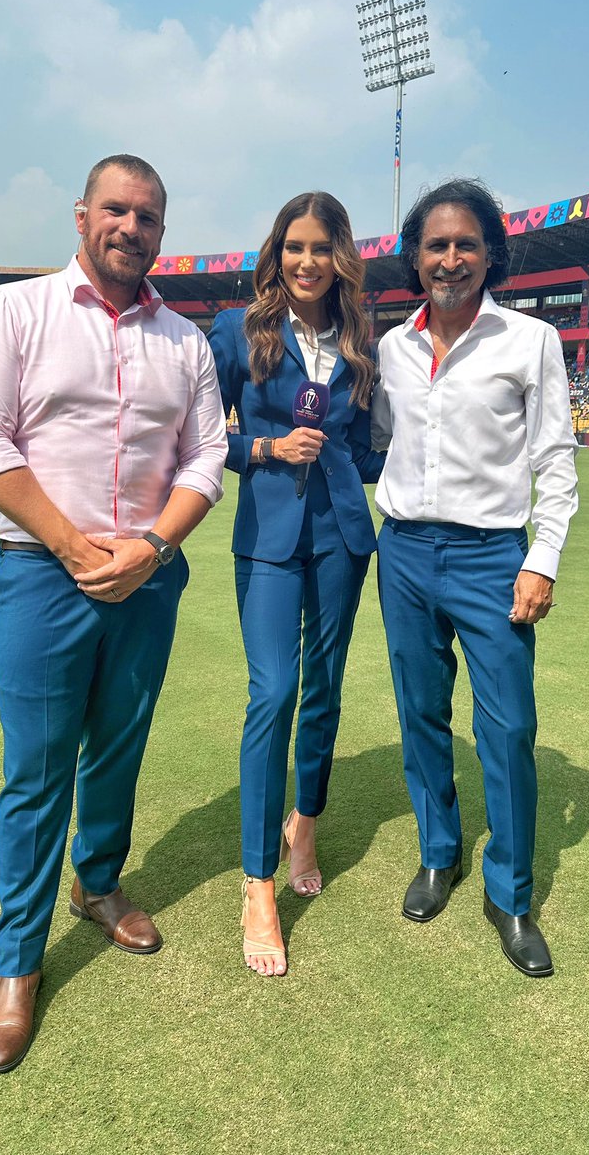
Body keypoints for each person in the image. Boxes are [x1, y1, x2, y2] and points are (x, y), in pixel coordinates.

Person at [0, 154, 227, 1071]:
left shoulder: (184, 343)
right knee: (36, 771)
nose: (132, 228)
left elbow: (204, 461)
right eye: (116, 209)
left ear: (160, 231)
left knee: (118, 745)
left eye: (148, 217)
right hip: (41, 572)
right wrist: (78, 549)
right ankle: (17, 964)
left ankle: (97, 885)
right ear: (82, 216)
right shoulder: (16, 312)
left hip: (147, 576)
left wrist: (150, 550)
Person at [371, 178, 578, 977]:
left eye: (465, 244)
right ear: (415, 258)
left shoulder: (530, 341)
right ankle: (438, 853)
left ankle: (512, 894)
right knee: (421, 714)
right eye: (435, 245)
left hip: (495, 558)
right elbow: (384, 439)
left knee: (509, 728)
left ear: (491, 252)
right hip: (407, 554)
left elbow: (554, 458)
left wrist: (542, 557)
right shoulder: (392, 347)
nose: (450, 258)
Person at [208, 192, 383, 977]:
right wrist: (269, 452)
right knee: (272, 692)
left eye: (321, 247)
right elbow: (204, 440)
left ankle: (304, 824)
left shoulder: (358, 338)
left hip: (344, 534)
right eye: (294, 246)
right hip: (269, 537)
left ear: (339, 255)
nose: (307, 261)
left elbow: (370, 447)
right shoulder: (237, 332)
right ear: (276, 252)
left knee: (325, 690)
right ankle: (258, 884)